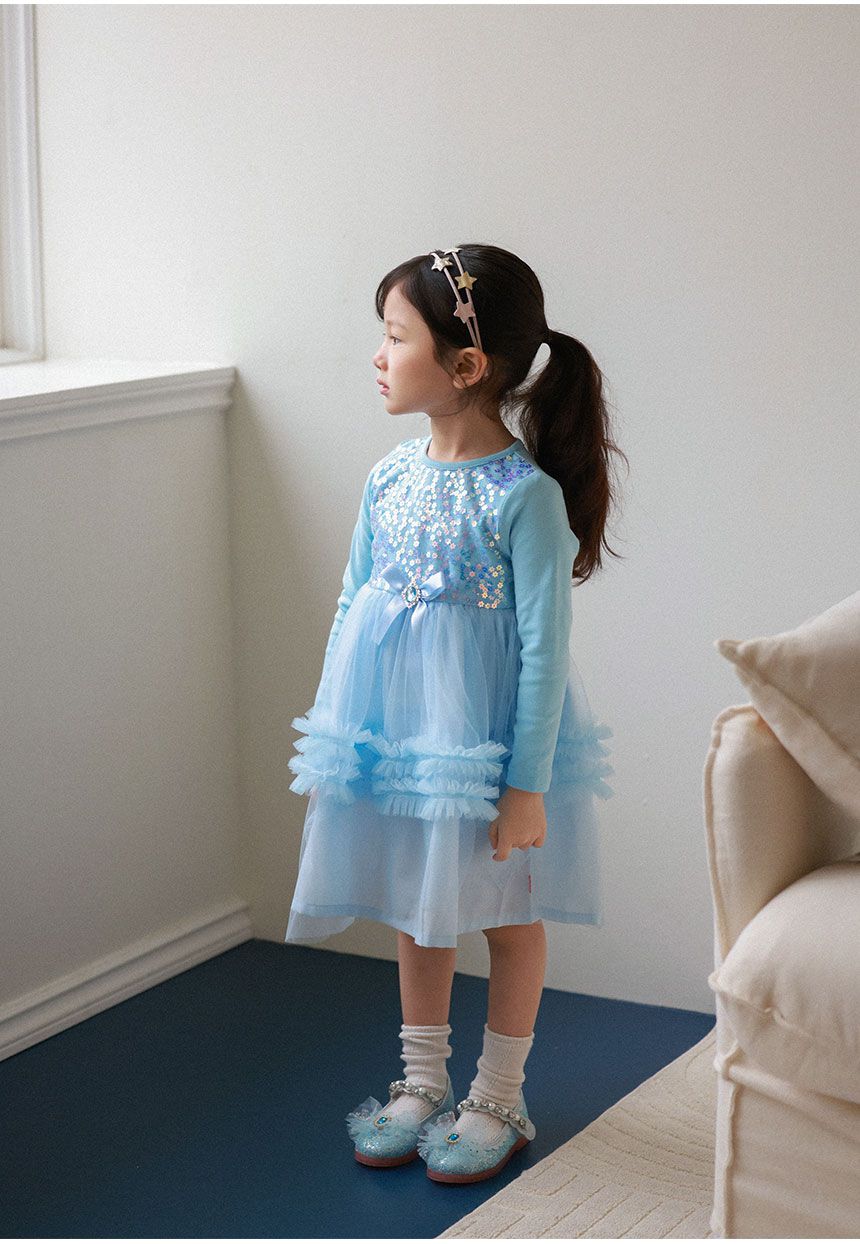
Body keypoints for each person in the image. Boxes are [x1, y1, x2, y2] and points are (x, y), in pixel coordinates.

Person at [284, 243, 624, 1183]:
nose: (379, 355)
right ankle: (422, 1078)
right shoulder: (388, 478)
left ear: (466, 365)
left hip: (486, 747)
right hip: (402, 744)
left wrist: (526, 786)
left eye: (397, 337)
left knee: (507, 917)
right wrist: (337, 735)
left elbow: (544, 652)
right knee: (418, 905)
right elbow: (352, 602)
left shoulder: (527, 500)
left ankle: (500, 1093)